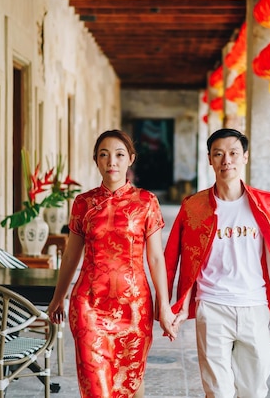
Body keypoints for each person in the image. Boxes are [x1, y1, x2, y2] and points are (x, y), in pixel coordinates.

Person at [165, 128, 270, 398]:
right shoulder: (194, 206)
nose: (226, 160)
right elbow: (187, 258)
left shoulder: (267, 204)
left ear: (245, 157)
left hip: (255, 308)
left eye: (233, 153)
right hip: (212, 307)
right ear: (210, 160)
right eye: (218, 154)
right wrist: (178, 307)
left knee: (254, 391)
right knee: (218, 392)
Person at [47, 129, 178, 398]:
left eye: (119, 155)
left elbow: (155, 258)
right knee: (96, 387)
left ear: (131, 159)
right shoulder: (83, 203)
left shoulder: (146, 202)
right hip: (89, 304)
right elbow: (72, 255)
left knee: (129, 380)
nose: (112, 162)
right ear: (96, 160)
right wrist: (58, 297)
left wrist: (163, 305)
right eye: (104, 155)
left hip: (133, 306)